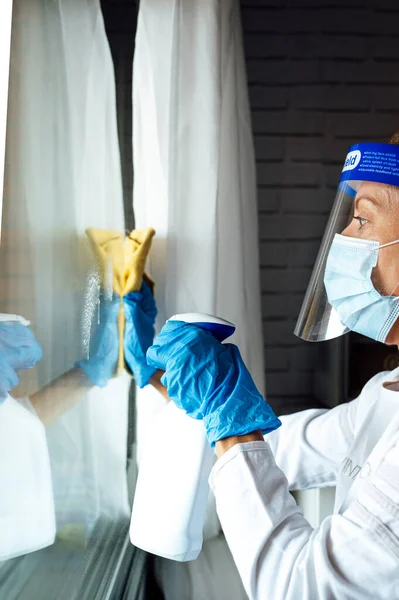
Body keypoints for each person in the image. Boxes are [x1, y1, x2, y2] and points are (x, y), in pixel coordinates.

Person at [139, 135, 399, 600]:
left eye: (361, 218)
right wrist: (167, 381)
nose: (342, 239)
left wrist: (231, 420)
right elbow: (283, 449)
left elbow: (302, 588)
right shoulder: (385, 392)